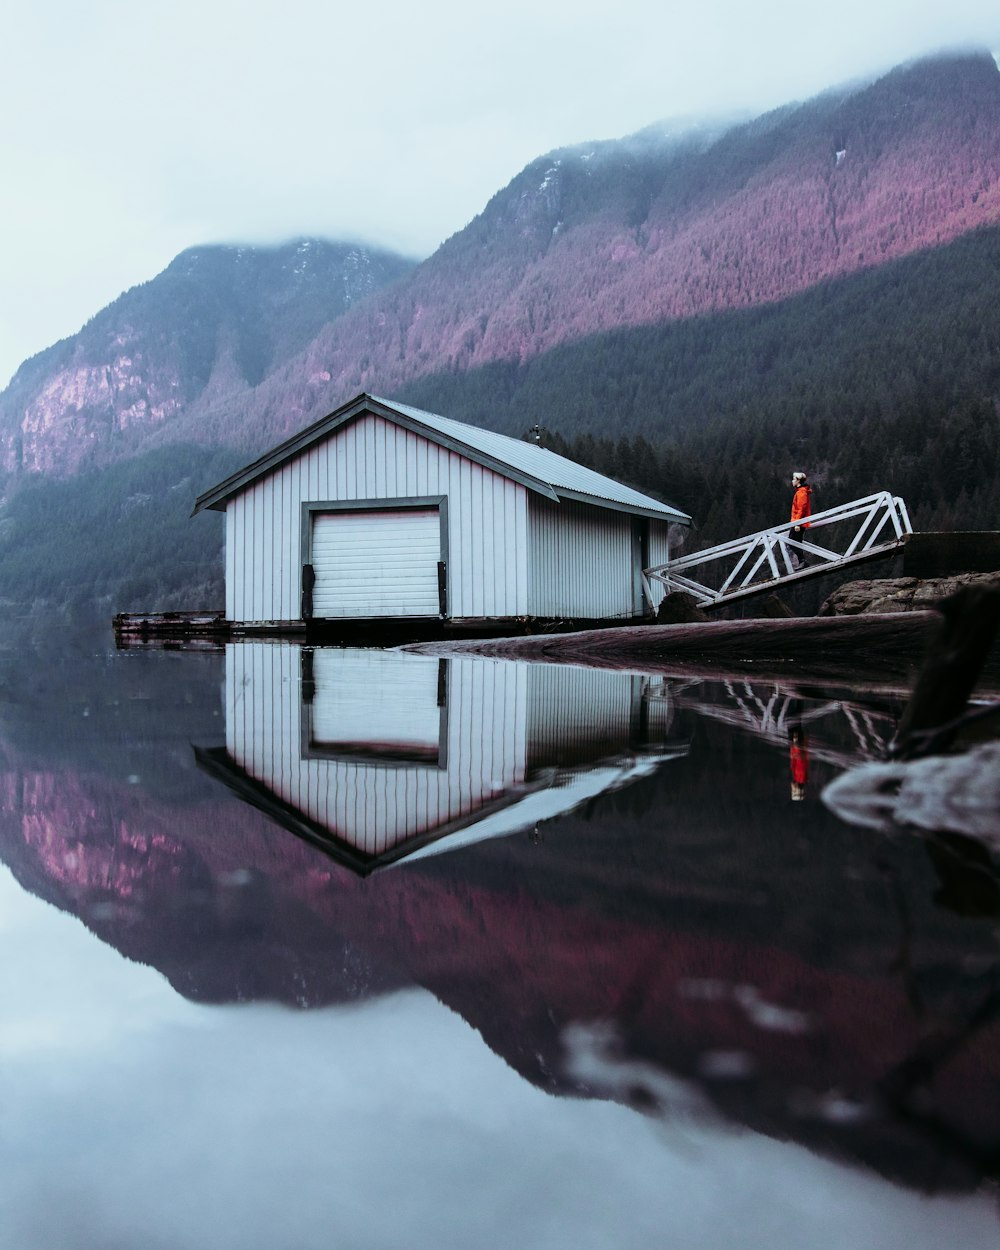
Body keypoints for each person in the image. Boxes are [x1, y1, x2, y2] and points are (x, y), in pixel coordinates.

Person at [789, 471, 812, 569]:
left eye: (794, 479)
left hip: (799, 522)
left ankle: (803, 561)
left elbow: (801, 509)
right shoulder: (800, 491)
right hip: (798, 522)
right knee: (795, 541)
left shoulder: (801, 492)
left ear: (798, 481)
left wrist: (797, 523)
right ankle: (802, 561)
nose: (792, 481)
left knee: (792, 541)